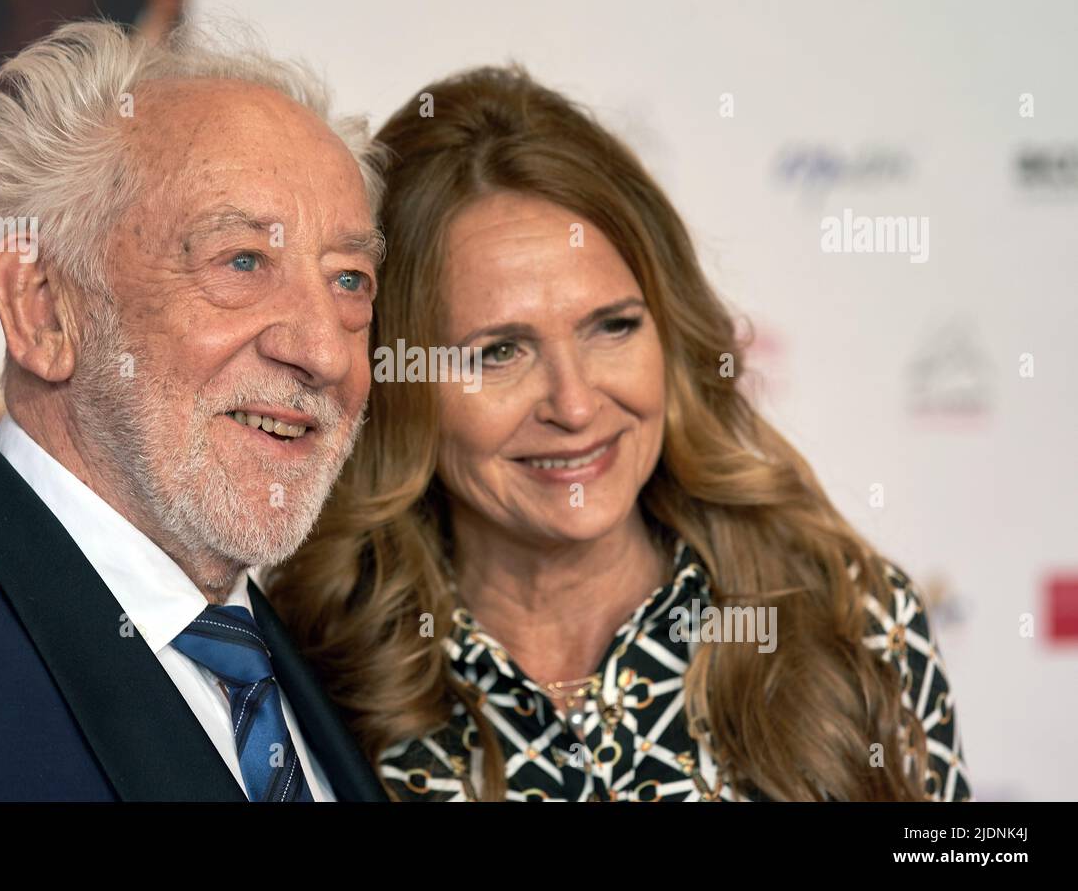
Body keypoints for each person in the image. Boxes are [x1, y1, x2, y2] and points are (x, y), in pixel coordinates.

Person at [266, 65, 972, 802]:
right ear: (397, 373)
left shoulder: (851, 621)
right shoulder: (310, 669)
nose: (574, 406)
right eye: (497, 352)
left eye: (613, 327)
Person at [0, 19, 389, 802]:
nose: (325, 352)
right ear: (42, 310)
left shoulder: (316, 675)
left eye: (348, 280)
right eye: (242, 261)